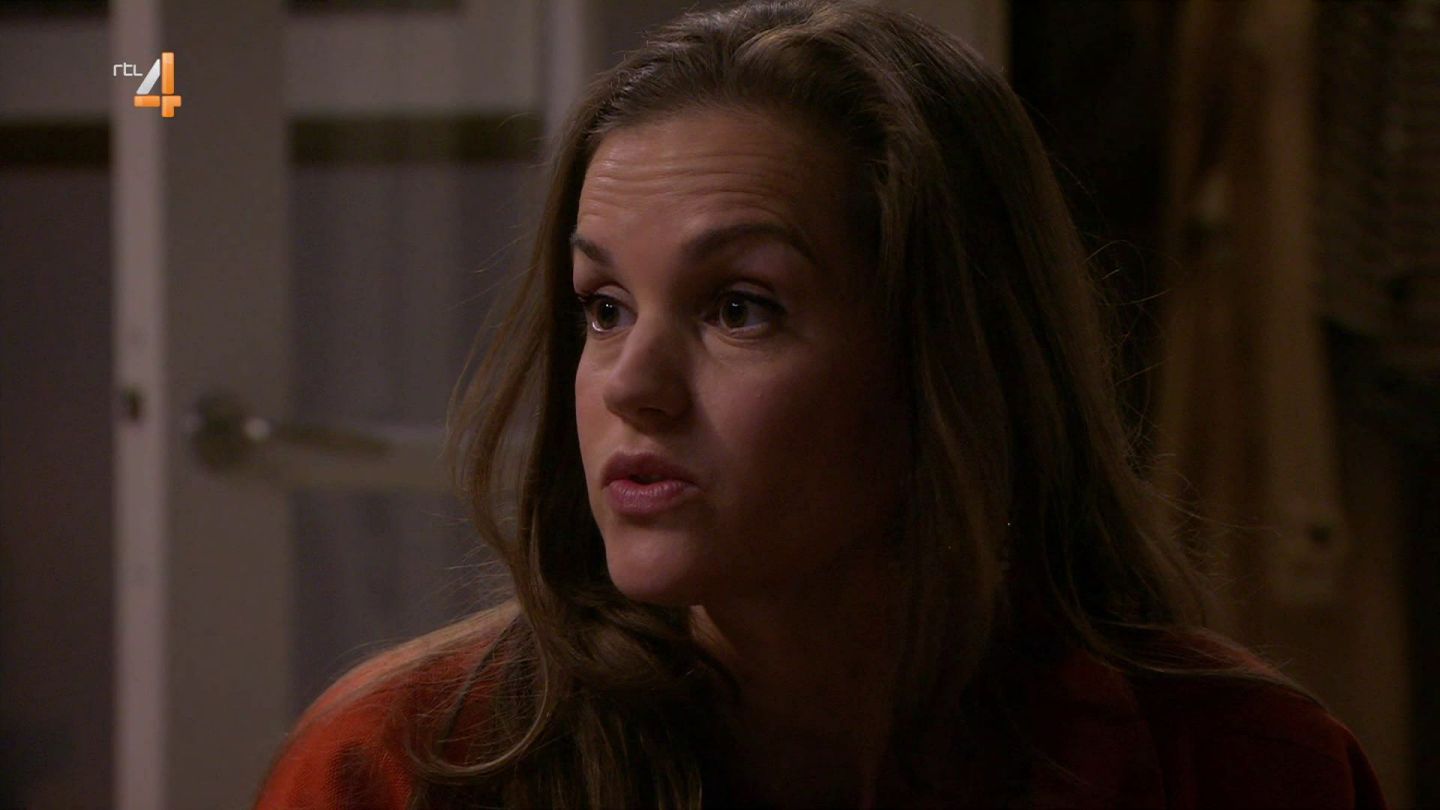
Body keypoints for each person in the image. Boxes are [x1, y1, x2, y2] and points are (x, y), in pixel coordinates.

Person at [254, 1, 1388, 808]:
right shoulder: (404, 766)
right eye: (603, 308)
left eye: (739, 308)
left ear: (945, 360)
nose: (631, 385)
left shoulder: (1243, 766)